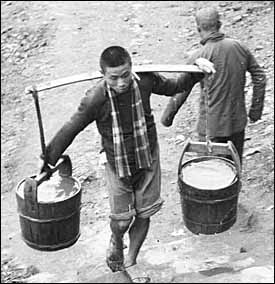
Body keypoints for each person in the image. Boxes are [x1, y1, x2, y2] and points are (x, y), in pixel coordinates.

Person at [33, 46, 213, 272]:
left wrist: (198, 70)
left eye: (125, 75)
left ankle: (131, 259)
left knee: (144, 213)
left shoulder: (146, 81)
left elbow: (175, 86)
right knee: (121, 220)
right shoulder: (95, 99)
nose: (121, 83)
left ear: (132, 68)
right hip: (116, 161)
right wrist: (48, 159)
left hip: (147, 156)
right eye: (114, 78)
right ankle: (116, 241)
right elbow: (71, 127)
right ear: (103, 75)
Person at [161, 7, 266, 164]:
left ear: (198, 29)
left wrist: (167, 118)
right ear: (220, 24)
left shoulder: (199, 56)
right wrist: (255, 111)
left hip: (210, 128)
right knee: (234, 168)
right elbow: (260, 77)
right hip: (237, 123)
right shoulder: (239, 47)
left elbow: (182, 88)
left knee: (209, 171)